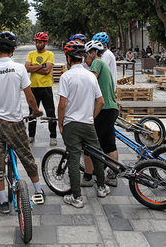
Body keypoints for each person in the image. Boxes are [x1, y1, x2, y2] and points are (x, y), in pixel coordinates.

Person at [0, 31, 45, 214]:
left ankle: (3, 201)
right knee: (26, 156)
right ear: (14, 50)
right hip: (15, 122)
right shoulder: (20, 69)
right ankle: (38, 190)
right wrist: (36, 110)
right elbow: (30, 97)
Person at [58, 40, 109, 208]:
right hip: (88, 123)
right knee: (97, 154)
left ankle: (77, 197)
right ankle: (101, 187)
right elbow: (100, 101)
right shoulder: (90, 76)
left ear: (68, 58)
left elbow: (62, 104)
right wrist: (91, 117)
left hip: (72, 124)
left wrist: (60, 123)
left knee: (73, 158)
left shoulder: (66, 76)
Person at [82, 40, 119, 187]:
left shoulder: (97, 62)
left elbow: (91, 81)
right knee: (109, 144)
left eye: (86, 56)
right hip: (112, 109)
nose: (85, 60)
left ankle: (88, 177)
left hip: (103, 109)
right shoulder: (105, 65)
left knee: (89, 143)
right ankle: (112, 175)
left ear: (93, 53)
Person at [25, 32, 57, 145]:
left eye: (40, 42)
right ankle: (31, 135)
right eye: (36, 42)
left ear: (45, 43)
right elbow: (26, 68)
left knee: (50, 112)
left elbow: (47, 70)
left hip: (46, 86)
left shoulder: (50, 54)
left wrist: (34, 67)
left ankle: (53, 136)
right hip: (33, 87)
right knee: (32, 112)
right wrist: (41, 65)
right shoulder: (31, 53)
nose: (38, 44)